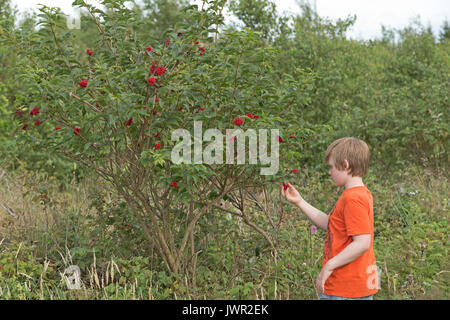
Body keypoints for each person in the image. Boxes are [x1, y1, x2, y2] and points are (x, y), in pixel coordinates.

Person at [281, 137, 379, 300]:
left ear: (345, 165)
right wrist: (300, 202)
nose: (329, 172)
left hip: (345, 289)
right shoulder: (359, 194)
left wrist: (329, 266)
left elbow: (362, 243)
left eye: (331, 167)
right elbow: (331, 224)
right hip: (351, 287)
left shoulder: (353, 198)